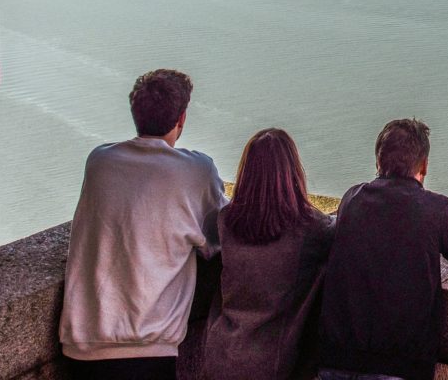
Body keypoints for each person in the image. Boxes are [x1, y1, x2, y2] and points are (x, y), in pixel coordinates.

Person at [59, 69, 228, 380]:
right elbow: (219, 240)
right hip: (149, 349)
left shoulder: (99, 161)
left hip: (81, 348)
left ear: (135, 113)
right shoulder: (196, 171)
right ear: (182, 119)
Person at [318, 118, 448, 380]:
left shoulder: (351, 200)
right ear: (424, 165)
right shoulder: (433, 209)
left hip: (336, 362)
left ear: (378, 162)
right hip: (398, 367)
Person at [201, 128, 334, 380]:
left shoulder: (225, 221)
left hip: (219, 356)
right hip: (272, 364)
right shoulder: (312, 229)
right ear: (292, 172)